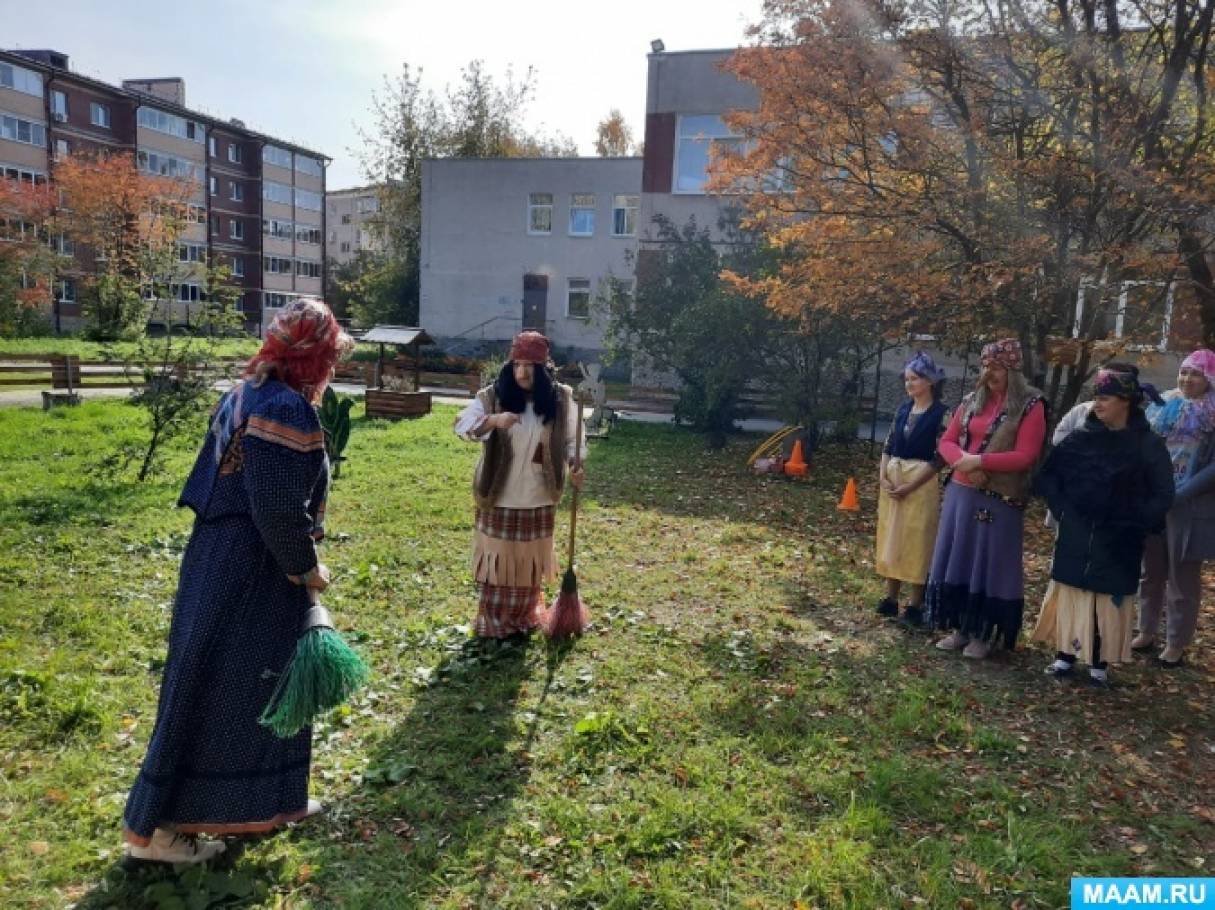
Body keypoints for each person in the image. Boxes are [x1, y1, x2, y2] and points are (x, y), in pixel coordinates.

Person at [123, 298, 354, 863]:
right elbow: (275, 506)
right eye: (329, 357)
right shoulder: (283, 407)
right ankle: (161, 832)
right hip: (252, 566)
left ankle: (252, 805)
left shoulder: (244, 392)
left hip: (217, 556)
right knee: (223, 689)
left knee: (239, 686)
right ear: (313, 358)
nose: (331, 369)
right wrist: (305, 567)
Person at [1030, 369, 1173, 686]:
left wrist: (1134, 520)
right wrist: (1064, 511)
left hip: (1119, 540)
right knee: (1072, 592)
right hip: (1077, 534)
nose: (1097, 404)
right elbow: (1051, 476)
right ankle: (1064, 656)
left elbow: (1163, 492)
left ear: (1126, 402)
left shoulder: (1147, 445)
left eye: (1104, 397)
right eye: (1096, 397)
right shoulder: (1081, 437)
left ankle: (1099, 663)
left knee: (1105, 598)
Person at [453, 331, 584, 639]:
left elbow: (573, 439)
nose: (522, 372)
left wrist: (577, 462)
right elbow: (462, 425)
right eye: (517, 364)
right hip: (499, 495)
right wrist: (493, 421)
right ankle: (496, 622)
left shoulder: (560, 398)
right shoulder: (492, 396)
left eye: (530, 366)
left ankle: (525, 617)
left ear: (543, 370)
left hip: (539, 495)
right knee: (498, 566)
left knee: (527, 565)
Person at [925, 338, 1047, 659]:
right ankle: (959, 628)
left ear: (1013, 369)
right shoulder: (970, 401)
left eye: (997, 367)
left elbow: (1026, 454)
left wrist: (981, 463)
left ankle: (983, 632)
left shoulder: (1031, 405)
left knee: (989, 563)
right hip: (961, 494)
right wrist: (963, 462)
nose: (989, 373)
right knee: (960, 559)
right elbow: (947, 441)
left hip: (1000, 499)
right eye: (985, 366)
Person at [1133, 349, 1215, 667]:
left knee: (1182, 578)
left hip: (1188, 505)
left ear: (1208, 379)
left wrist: (1181, 492)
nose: (1187, 379)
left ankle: (1176, 642)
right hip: (1155, 499)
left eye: (1195, 373)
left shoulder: (1212, 412)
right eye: (1183, 372)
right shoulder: (1164, 405)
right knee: (1150, 572)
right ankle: (1146, 630)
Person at [874, 352, 950, 627]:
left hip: (920, 482)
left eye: (915, 379)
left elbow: (940, 457)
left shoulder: (943, 414)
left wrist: (912, 484)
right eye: (907, 379)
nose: (909, 384)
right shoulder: (903, 410)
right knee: (892, 535)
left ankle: (915, 604)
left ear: (929, 381)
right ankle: (890, 597)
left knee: (917, 539)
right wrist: (883, 477)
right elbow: (889, 444)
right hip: (894, 479)